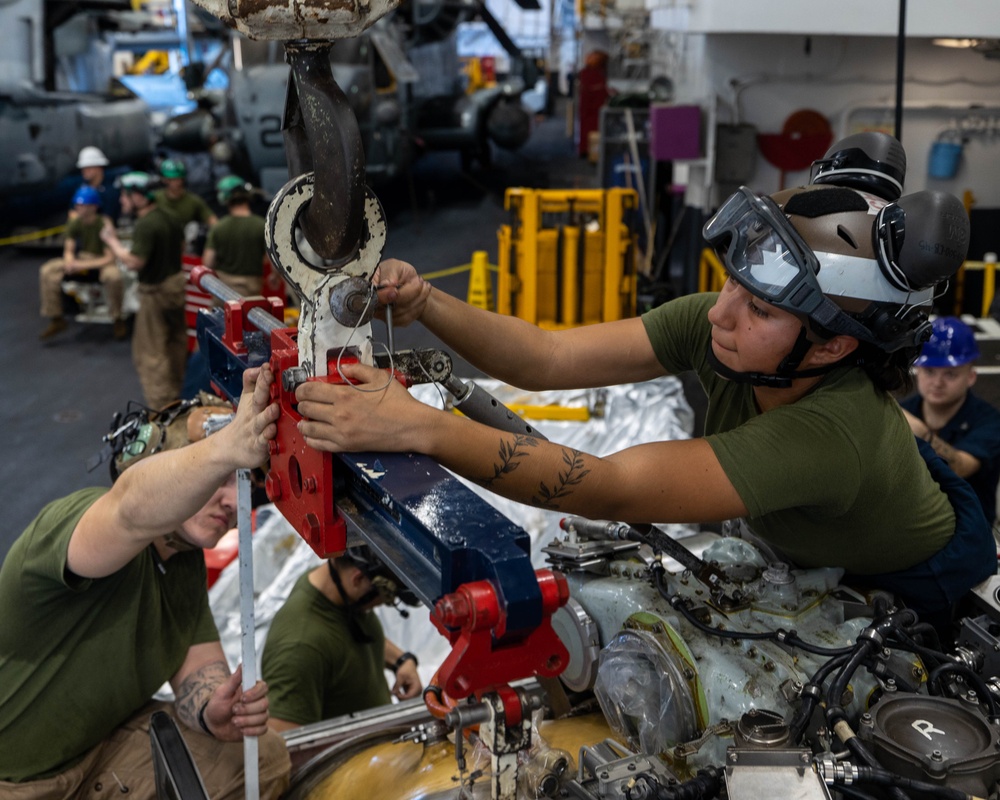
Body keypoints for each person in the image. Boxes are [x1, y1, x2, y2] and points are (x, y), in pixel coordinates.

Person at [289, 179, 995, 624]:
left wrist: (422, 429)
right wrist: (428, 303)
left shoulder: (831, 432)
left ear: (836, 347)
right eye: (731, 287)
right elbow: (547, 358)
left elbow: (611, 486)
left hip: (912, 577)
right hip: (816, 529)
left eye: (759, 309)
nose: (720, 314)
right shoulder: (732, 334)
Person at [0, 368, 290, 797]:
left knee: (265, 758)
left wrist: (214, 710)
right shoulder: (75, 520)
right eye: (220, 477)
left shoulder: (183, 560)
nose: (233, 501)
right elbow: (130, 509)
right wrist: (226, 447)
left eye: (242, 480)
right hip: (15, 780)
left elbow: (198, 675)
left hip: (94, 752)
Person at [262, 546, 423, 731]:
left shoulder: (331, 587)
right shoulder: (299, 650)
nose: (381, 605)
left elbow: (344, 637)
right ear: (358, 578)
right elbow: (286, 748)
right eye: (386, 596)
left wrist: (400, 661)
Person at [100, 172, 188, 410]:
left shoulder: (146, 224)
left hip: (155, 293)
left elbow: (134, 262)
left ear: (139, 196)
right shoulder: (169, 216)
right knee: (175, 341)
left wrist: (112, 242)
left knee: (150, 352)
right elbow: (181, 246)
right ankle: (179, 389)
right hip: (175, 286)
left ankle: (163, 407)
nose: (121, 201)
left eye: (125, 196)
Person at [900, 316, 1000, 525]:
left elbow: (960, 467)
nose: (937, 382)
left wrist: (923, 435)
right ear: (918, 370)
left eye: (950, 374)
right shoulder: (905, 412)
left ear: (971, 376)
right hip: (913, 526)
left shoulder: (990, 421)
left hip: (969, 531)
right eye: (929, 371)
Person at [38, 185, 127, 341]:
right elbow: (69, 249)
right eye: (77, 205)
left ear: (93, 207)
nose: (78, 208)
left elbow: (109, 257)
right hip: (84, 258)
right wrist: (70, 262)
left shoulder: (104, 224)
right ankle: (56, 318)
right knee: (48, 270)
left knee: (113, 277)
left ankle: (117, 318)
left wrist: (80, 265)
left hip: (102, 261)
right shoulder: (75, 222)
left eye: (82, 205)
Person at [202, 175, 267, 297]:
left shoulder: (218, 227)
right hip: (250, 291)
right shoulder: (262, 225)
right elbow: (273, 260)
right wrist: (274, 276)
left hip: (222, 291)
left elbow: (208, 262)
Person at [155, 158, 218, 235]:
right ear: (164, 180)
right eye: (171, 179)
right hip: (161, 237)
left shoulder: (193, 200)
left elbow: (211, 220)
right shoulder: (156, 198)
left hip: (185, 239)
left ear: (183, 179)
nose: (175, 182)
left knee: (193, 227)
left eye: (178, 179)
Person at [74, 146, 121, 223]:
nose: (85, 171)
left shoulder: (111, 189)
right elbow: (73, 213)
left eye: (89, 168)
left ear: (99, 168)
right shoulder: (81, 187)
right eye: (83, 168)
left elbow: (109, 217)